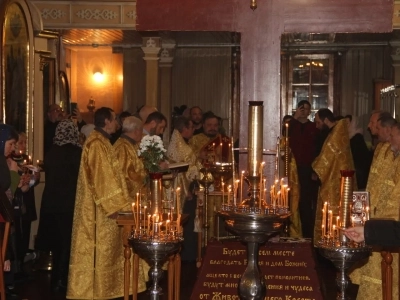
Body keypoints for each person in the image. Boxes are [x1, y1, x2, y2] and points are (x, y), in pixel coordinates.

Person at [67, 107, 131, 300]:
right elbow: (101, 178)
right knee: (98, 251)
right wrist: (114, 207)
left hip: (105, 208)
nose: (117, 124)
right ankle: (94, 292)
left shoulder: (103, 141)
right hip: (99, 211)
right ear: (107, 121)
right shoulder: (96, 143)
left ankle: (104, 291)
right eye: (115, 120)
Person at [36, 120, 82, 293]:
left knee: (56, 245)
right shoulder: (76, 152)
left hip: (50, 203)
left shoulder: (52, 152)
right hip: (68, 204)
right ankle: (62, 280)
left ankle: (56, 280)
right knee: (67, 244)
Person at [113, 116, 147, 293]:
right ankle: (128, 284)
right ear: (135, 131)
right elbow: (127, 177)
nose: (142, 135)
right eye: (141, 131)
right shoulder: (122, 148)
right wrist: (146, 177)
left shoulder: (129, 146)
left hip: (135, 202)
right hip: (128, 203)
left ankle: (137, 281)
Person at [312, 108, 354, 245]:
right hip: (335, 177)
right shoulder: (336, 131)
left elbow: (326, 157)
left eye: (318, 122)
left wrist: (314, 170)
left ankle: (332, 243)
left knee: (334, 212)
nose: (317, 126)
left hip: (336, 180)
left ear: (325, 120)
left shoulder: (336, 134)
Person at [288, 100, 319, 238]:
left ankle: (307, 233)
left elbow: (317, 149)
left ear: (309, 111)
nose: (303, 111)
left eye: (306, 109)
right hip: (293, 168)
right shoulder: (292, 125)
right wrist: (294, 118)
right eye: (301, 108)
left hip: (307, 168)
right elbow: (285, 135)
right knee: (292, 199)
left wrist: (315, 169)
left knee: (306, 201)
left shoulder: (313, 127)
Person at [344, 115, 372, 189]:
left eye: (347, 123)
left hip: (358, 173)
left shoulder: (357, 137)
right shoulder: (348, 137)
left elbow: (360, 158)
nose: (346, 126)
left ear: (353, 124)